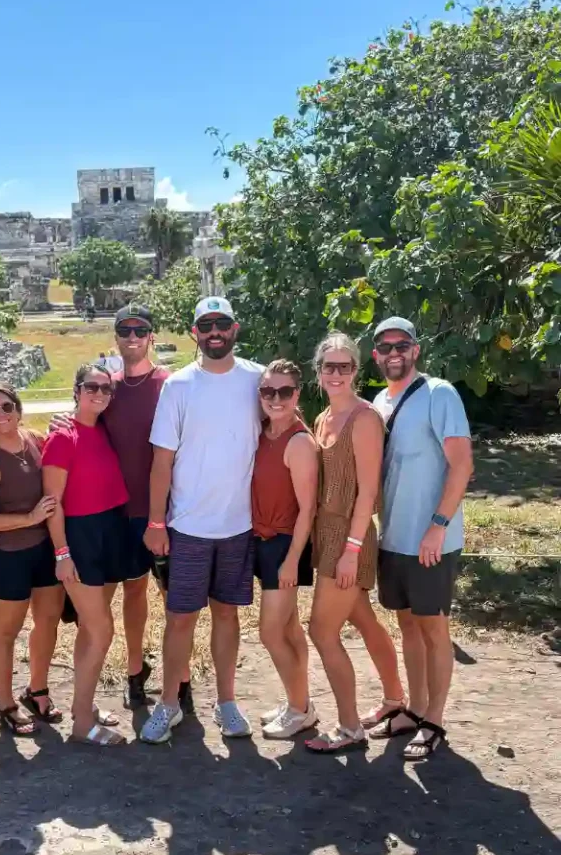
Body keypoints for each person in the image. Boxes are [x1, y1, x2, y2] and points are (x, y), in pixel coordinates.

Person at [50, 304, 191, 712]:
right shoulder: (105, 387)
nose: (132, 337)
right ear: (115, 337)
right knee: (128, 593)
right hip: (116, 515)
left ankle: (180, 679)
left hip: (166, 512)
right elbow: (81, 421)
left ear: (151, 335)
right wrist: (61, 421)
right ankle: (134, 671)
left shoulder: (170, 384)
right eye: (124, 331)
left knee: (174, 603)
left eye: (140, 330)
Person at [140, 296, 264, 744]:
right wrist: (156, 522)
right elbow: (161, 461)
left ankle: (227, 703)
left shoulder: (257, 379)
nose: (215, 331)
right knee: (180, 618)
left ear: (235, 328)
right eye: (206, 324)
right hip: (188, 526)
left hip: (239, 525)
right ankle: (169, 703)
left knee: (227, 615)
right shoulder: (178, 386)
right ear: (195, 332)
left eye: (222, 323)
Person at [371, 316, 473, 759]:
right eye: (385, 346)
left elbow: (462, 465)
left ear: (416, 350)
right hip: (394, 537)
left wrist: (438, 525)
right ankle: (412, 710)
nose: (394, 353)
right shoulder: (379, 400)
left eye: (402, 345)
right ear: (375, 355)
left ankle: (434, 719)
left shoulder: (439, 394)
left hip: (430, 539)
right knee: (407, 625)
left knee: (434, 629)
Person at [303, 334, 404, 755]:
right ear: (319, 371)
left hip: (350, 536)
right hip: (325, 533)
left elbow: (366, 493)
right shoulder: (324, 417)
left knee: (322, 631)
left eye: (345, 366)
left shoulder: (364, 420)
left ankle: (349, 727)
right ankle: (397, 704)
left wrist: (350, 549)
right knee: (362, 618)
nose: (337, 373)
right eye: (329, 366)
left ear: (356, 371)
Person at [0, 382, 64, 737]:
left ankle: (37, 690)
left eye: (6, 406)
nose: (0, 415)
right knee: (6, 632)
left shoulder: (35, 440)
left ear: (18, 409)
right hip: (7, 558)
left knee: (48, 621)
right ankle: (7, 704)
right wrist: (28, 519)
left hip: (43, 552)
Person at [42, 363, 129, 746]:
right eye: (91, 386)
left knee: (90, 630)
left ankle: (86, 707)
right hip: (79, 536)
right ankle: (80, 723)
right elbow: (53, 503)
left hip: (110, 530)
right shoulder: (63, 437)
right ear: (76, 390)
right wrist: (62, 553)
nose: (98, 393)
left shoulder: (103, 429)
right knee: (102, 630)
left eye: (105, 388)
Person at [252, 359, 320, 738]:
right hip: (262, 542)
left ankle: (299, 709)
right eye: (267, 391)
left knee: (271, 633)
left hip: (284, 546)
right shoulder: (264, 433)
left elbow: (308, 509)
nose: (275, 399)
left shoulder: (299, 441)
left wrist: (293, 559)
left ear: (297, 394)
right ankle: (300, 701)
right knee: (291, 630)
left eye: (283, 392)